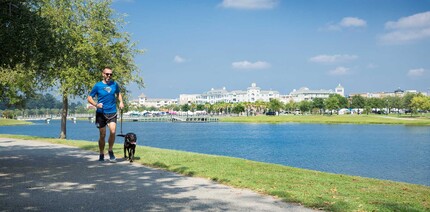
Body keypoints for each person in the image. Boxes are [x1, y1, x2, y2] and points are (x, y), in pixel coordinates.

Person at [87, 67, 124, 162]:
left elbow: (118, 93)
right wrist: (96, 104)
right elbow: (89, 97)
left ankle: (110, 150)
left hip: (112, 112)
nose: (109, 76)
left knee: (112, 131)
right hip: (101, 113)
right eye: (107, 74)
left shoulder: (114, 84)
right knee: (102, 134)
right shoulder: (98, 86)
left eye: (111, 74)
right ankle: (101, 153)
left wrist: (121, 102)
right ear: (103, 74)